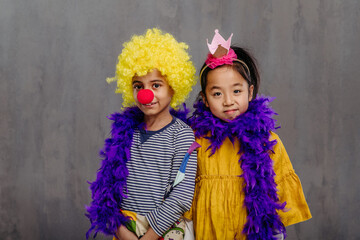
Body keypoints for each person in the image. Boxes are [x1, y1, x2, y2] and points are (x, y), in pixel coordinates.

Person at [184, 29, 312, 240]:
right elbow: (185, 199)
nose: (228, 101)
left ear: (250, 92)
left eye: (236, 91)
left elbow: (276, 197)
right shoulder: (195, 141)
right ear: (205, 99)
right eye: (217, 93)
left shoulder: (267, 141)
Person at [86, 28, 198, 240]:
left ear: (174, 87)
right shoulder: (126, 132)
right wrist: (120, 229)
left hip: (163, 230)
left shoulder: (181, 135)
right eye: (139, 86)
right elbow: (107, 185)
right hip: (125, 228)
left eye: (156, 85)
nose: (146, 95)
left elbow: (182, 196)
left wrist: (149, 237)